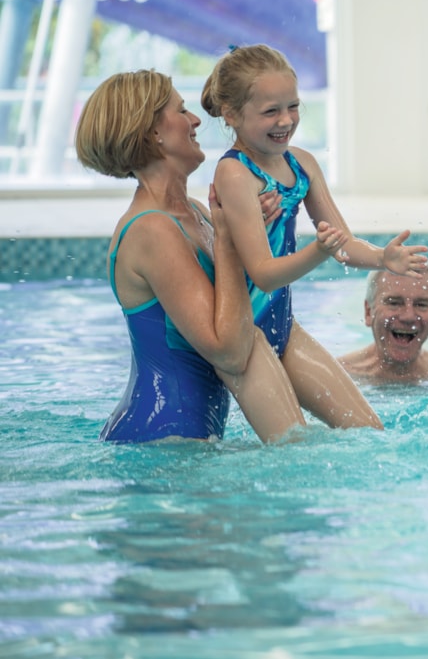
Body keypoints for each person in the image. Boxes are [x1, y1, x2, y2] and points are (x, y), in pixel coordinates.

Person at [74, 70, 350, 443]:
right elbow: (230, 353)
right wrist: (230, 244)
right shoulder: (152, 230)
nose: (196, 120)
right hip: (160, 446)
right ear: (152, 132)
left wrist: (258, 227)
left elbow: (242, 303)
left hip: (190, 445)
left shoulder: (196, 213)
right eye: (181, 110)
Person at [204, 44, 424, 418]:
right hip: (243, 331)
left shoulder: (301, 164)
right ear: (232, 115)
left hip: (282, 324)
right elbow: (263, 273)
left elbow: (343, 243)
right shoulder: (235, 174)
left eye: (293, 106)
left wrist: (381, 258)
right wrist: (317, 252)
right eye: (270, 111)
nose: (286, 120)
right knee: (293, 444)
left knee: (366, 430)